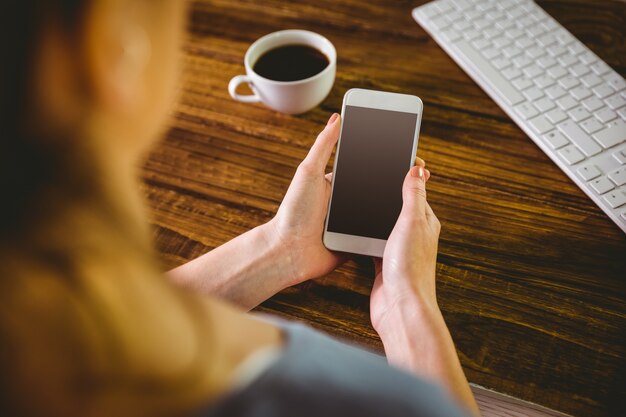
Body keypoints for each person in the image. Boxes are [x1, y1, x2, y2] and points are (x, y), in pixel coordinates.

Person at [0, 1, 479, 417]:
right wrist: (405, 306)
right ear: (112, 40)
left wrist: (281, 249)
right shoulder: (362, 402)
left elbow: (97, 325)